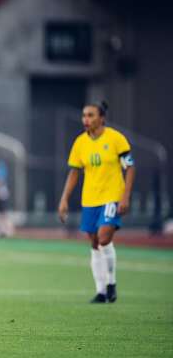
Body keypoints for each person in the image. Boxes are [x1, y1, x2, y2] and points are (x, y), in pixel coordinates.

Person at [58, 101, 135, 303]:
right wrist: (64, 199)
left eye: (91, 115)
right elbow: (74, 171)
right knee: (93, 242)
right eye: (84, 115)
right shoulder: (80, 143)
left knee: (103, 238)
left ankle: (111, 283)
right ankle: (101, 291)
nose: (86, 119)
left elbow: (130, 167)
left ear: (102, 118)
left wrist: (125, 196)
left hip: (112, 196)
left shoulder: (116, 139)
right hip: (90, 198)